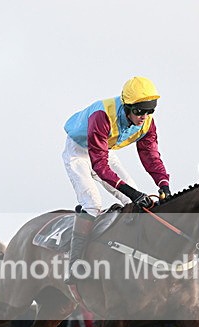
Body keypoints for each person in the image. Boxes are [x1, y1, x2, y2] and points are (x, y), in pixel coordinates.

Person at [62, 76, 172, 283]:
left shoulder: (147, 122)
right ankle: (75, 265)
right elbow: (100, 166)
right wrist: (132, 192)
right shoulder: (102, 116)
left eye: (150, 111)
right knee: (93, 203)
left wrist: (163, 183)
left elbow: (150, 154)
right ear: (127, 106)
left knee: (134, 202)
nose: (144, 116)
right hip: (79, 151)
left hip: (104, 148)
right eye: (139, 111)